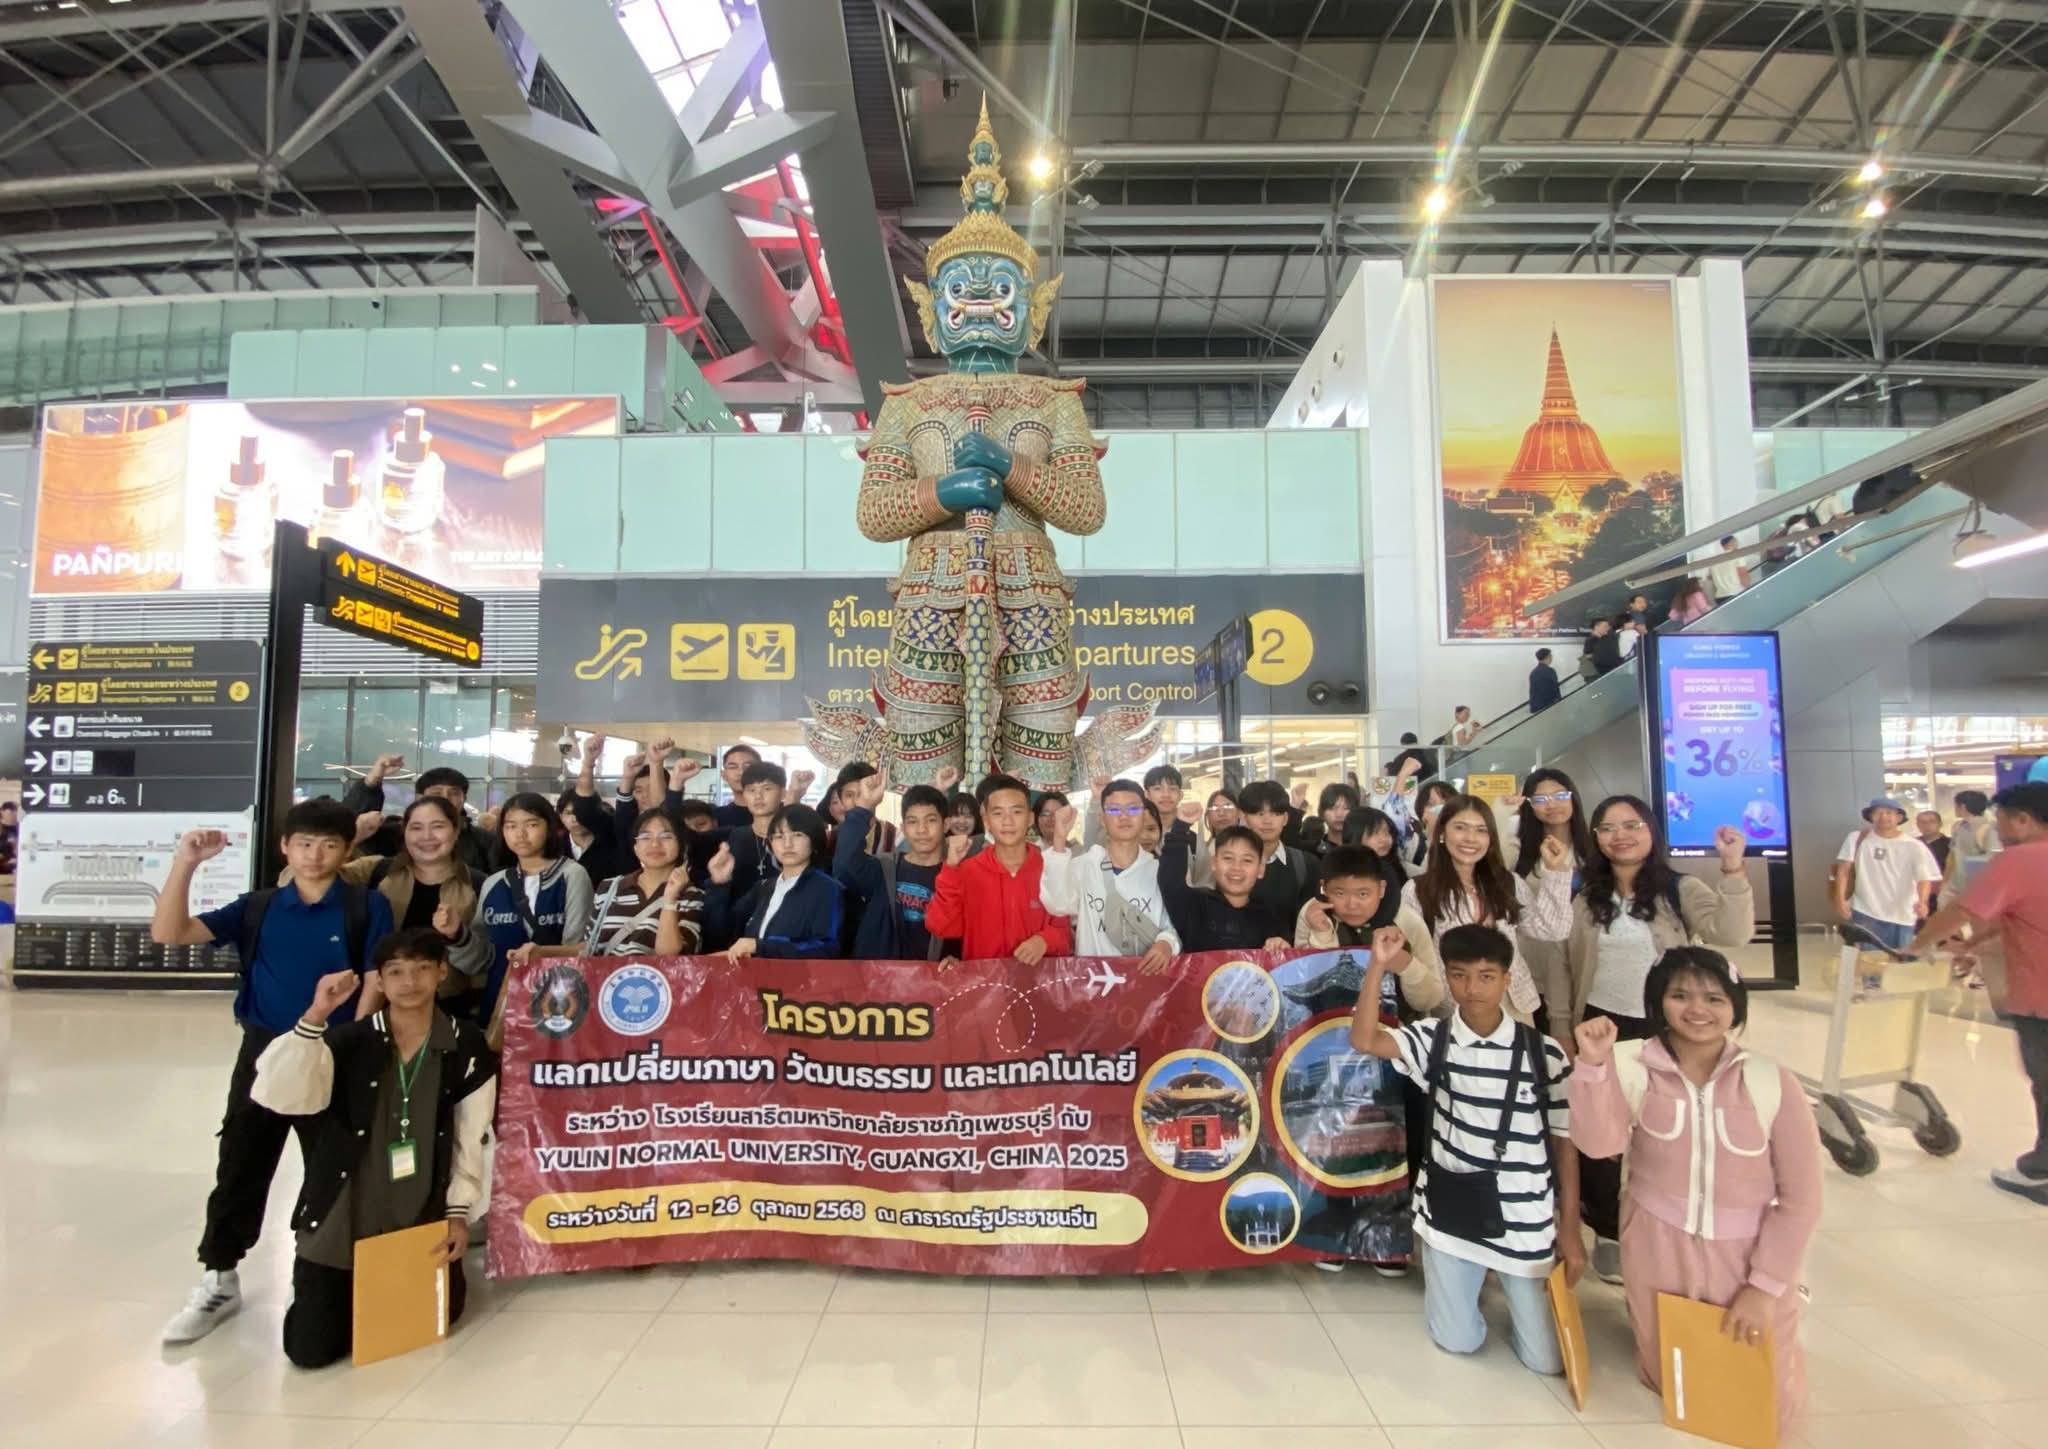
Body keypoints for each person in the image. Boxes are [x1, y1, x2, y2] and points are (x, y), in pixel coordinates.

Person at [153, 800, 394, 1345]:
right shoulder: (259, 907)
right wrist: (185, 863)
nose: (315, 855)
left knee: (332, 1165)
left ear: (347, 851)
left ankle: (319, 1273)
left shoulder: (365, 905)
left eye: (329, 844)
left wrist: (352, 1040)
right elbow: (170, 932)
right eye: (304, 843)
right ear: (285, 847)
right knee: (242, 1159)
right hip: (265, 1051)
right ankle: (220, 1275)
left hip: (335, 1050)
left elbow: (374, 977)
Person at [1570, 948, 1821, 1430]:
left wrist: (1764, 1286)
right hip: (1656, 1245)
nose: (1697, 1009)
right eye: (1680, 995)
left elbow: (1802, 1198)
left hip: (1743, 1253)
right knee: (1670, 1380)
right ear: (1657, 1001)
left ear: (1735, 1005)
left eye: (1714, 998)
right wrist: (1593, 1067)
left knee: (1764, 1404)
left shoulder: (1770, 1081)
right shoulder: (1631, 1064)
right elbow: (1599, 1144)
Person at [252, 928, 498, 1369]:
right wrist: (316, 1014)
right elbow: (283, 1096)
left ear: (442, 972)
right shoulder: (350, 1041)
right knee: (310, 1349)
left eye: (422, 969)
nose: (410, 982)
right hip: (346, 1207)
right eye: (396, 972)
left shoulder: (465, 1044)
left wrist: (458, 1213)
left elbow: (472, 1133)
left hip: (419, 1206)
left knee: (431, 1319)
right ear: (379, 981)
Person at [1349, 923, 1583, 1372]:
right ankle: (1469, 1288)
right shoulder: (1433, 1038)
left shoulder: (1545, 1053)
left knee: (1547, 1360)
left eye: (1486, 976)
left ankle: (1508, 1294)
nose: (1472, 989)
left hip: (1524, 1215)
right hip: (1451, 1210)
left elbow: (1564, 1143)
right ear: (1448, 977)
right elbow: (1365, 1039)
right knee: (1457, 1340)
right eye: (1459, 976)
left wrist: (1569, 1229)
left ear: (1507, 979)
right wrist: (1378, 966)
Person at [1551, 795, 1754, 1281]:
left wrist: (1733, 868)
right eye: (1608, 828)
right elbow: (1560, 963)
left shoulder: (1679, 889)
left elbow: (1731, 932)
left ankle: (1662, 1227)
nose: (1620, 836)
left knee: (1664, 1129)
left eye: (1632, 825)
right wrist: (1561, 1027)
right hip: (1599, 1025)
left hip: (1665, 1030)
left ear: (1651, 831)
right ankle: (1608, 1230)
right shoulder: (1581, 893)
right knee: (1598, 1135)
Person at [1911, 782, 2048, 1202]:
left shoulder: (2019, 859)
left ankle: (2041, 1172)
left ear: (2022, 819)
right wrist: (1972, 946)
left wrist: (1916, 947)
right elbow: (2028, 922)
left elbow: (1962, 910)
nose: (1998, 828)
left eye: (2001, 819)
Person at [1402, 794, 1572, 1022]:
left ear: (1490, 838)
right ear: (1442, 833)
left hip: (1513, 1005)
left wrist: (1555, 871)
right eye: (1460, 827)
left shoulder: (1508, 883)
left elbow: (1553, 929)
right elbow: (1415, 958)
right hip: (1453, 1009)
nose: (1470, 838)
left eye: (1481, 830)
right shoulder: (1418, 891)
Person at [333, 795, 487, 1017]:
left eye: (438, 826)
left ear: (456, 831)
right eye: (416, 828)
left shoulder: (478, 885)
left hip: (450, 1010)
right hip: (378, 1004)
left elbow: (482, 963)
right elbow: (302, 877)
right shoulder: (376, 871)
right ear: (404, 832)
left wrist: (458, 935)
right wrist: (352, 838)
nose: (426, 836)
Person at [471, 793, 594, 1039]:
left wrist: (544, 952)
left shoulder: (572, 875)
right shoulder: (494, 883)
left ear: (550, 827)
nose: (520, 834)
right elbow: (480, 954)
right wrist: (455, 934)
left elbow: (580, 947)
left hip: (558, 1007)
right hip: (500, 1003)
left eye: (531, 824)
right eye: (511, 826)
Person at [924, 774, 1073, 962]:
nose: (1007, 821)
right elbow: (941, 927)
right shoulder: (968, 870)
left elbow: (1065, 934)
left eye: (1016, 812)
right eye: (998, 813)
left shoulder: (1050, 868)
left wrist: (1045, 941)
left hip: (1037, 978)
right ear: (986, 820)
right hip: (983, 979)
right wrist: (950, 869)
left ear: (1030, 818)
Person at [1040, 781, 1179, 972]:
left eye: (1133, 809)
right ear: (1102, 819)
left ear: (1144, 815)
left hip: (1144, 979)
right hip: (1094, 980)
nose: (1124, 816)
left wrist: (1167, 944)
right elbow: (1057, 905)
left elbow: (1173, 925)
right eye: (1114, 810)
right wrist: (1059, 839)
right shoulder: (1084, 866)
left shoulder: (1159, 871)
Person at [1296, 846, 1443, 1013]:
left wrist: (1405, 963)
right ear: (1323, 887)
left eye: (1363, 894)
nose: (1352, 905)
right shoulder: (1313, 914)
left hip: (1397, 1024)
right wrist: (1321, 936)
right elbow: (1305, 988)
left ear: (1381, 889)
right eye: (1340, 894)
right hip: (1329, 1020)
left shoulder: (1407, 921)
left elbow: (1429, 1002)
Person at [1507, 768, 1591, 1034]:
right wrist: (1506, 814)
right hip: (1538, 968)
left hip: (1585, 965)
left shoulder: (1593, 851)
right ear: (1530, 806)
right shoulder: (1521, 854)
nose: (1552, 804)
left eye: (1560, 795)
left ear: (1573, 797)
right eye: (1541, 799)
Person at [705, 804, 846, 959]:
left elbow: (827, 948)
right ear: (770, 843)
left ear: (814, 840)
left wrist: (760, 947)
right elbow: (720, 933)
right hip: (755, 973)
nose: (787, 844)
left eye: (797, 835)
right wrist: (719, 883)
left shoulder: (826, 888)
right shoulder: (764, 888)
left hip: (796, 975)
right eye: (779, 837)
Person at [839, 777, 953, 960]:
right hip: (880, 974)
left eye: (931, 820)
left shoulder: (955, 876)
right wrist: (863, 807)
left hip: (934, 975)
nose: (922, 830)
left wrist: (957, 957)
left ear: (946, 825)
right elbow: (845, 865)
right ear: (903, 828)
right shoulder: (883, 869)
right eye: (912, 821)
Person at [581, 802, 703, 957]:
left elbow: (670, 954)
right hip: (608, 973)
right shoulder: (609, 888)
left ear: (682, 845)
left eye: (666, 836)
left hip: (657, 973)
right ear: (635, 847)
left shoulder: (692, 896)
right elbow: (589, 946)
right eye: (645, 837)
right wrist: (549, 952)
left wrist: (670, 899)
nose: (655, 844)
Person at [347, 758, 497, 874]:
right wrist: (371, 782)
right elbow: (345, 827)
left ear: (464, 799)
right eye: (436, 793)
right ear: (419, 798)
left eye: (454, 793)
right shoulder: (394, 835)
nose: (445, 798)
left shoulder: (484, 841)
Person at [1160, 822, 1291, 951]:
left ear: (1261, 870)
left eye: (1247, 860)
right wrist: (1181, 825)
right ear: (1214, 863)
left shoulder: (1271, 918)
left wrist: (1280, 947)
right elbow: (1170, 882)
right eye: (1228, 858)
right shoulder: (1193, 905)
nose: (1236, 868)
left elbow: (1286, 958)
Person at [1832, 796, 1941, 951]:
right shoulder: (1856, 838)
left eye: (1889, 812)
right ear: (1870, 816)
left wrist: (1922, 902)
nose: (1883, 817)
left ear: (1899, 817)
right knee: (1870, 960)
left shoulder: (1914, 846)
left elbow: (1923, 879)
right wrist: (1840, 900)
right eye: (1878, 812)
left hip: (1903, 913)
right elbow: (1843, 870)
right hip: (1866, 911)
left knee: (1900, 959)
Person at [1239, 779, 1322, 913]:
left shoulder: (1305, 864)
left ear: (1285, 819)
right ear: (1244, 817)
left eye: (1275, 813)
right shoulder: (1231, 865)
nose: (1267, 821)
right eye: (1260, 813)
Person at [720, 759, 792, 911]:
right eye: (751, 790)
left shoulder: (793, 840)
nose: (758, 796)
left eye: (767, 788)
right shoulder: (735, 837)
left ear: (783, 793)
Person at [714, 744, 763, 829]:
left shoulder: (779, 814)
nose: (741, 772)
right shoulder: (714, 817)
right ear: (723, 775)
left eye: (748, 766)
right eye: (733, 767)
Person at [1704, 534, 1748, 601]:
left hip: (1720, 597)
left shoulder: (1714, 560)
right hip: (1736, 593)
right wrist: (1749, 590)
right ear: (1732, 542)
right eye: (1736, 541)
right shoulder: (1737, 556)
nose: (1738, 544)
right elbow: (1743, 575)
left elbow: (1710, 578)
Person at [1917, 809, 1952, 874]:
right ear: (1917, 825)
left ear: (1940, 824)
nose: (1927, 825)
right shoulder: (1913, 844)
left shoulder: (1951, 845)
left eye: (1932, 821)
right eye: (1922, 822)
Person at [1529, 648, 1563, 713]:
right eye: (1550, 656)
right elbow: (1555, 688)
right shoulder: (1550, 671)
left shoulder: (1533, 673)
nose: (1551, 658)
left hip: (1536, 707)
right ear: (1546, 657)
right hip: (1549, 706)